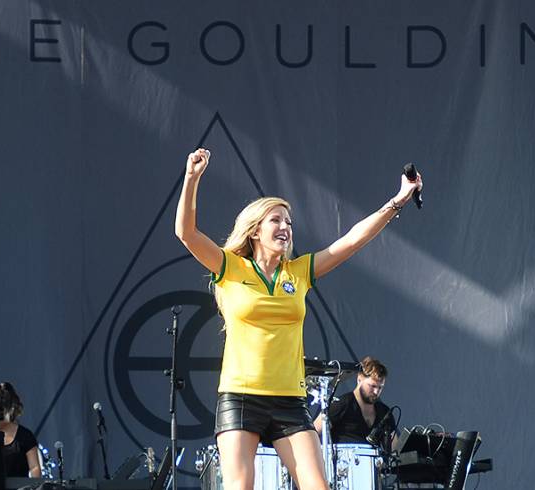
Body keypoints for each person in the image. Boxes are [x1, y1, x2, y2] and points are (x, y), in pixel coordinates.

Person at [174, 148, 422, 490]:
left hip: (290, 400)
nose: (285, 227)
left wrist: (399, 199)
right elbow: (186, 233)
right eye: (276, 220)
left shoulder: (299, 272)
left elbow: (352, 241)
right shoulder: (230, 267)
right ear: (255, 231)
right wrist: (192, 178)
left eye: (289, 223)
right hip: (241, 397)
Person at [314, 356, 397, 451]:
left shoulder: (384, 412)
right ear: (359, 379)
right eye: (372, 386)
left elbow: (395, 448)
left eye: (380, 387)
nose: (376, 392)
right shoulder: (341, 404)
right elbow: (313, 433)